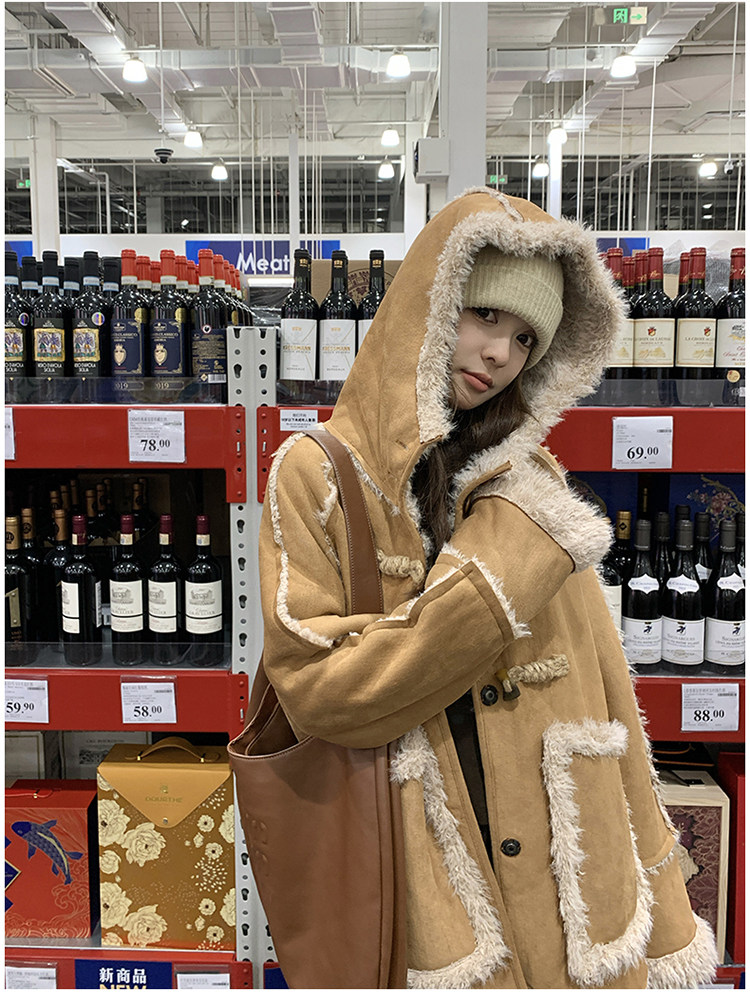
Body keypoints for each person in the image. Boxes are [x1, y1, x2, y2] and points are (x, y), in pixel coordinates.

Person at [258, 189, 718, 989]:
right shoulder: (315, 474)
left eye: (526, 337)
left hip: (569, 868)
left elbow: (606, 688)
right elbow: (317, 691)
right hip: (421, 861)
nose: (500, 352)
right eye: (484, 315)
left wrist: (667, 915)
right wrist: (491, 586)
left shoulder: (532, 479)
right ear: (431, 304)